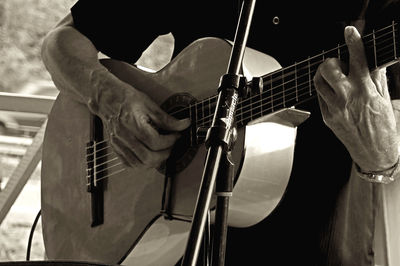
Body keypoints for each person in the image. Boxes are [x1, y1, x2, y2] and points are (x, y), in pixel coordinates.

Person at [41, 1, 400, 265]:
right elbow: (62, 42)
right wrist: (110, 97)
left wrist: (382, 154)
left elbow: (387, 157)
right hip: (178, 244)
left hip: (318, 243)